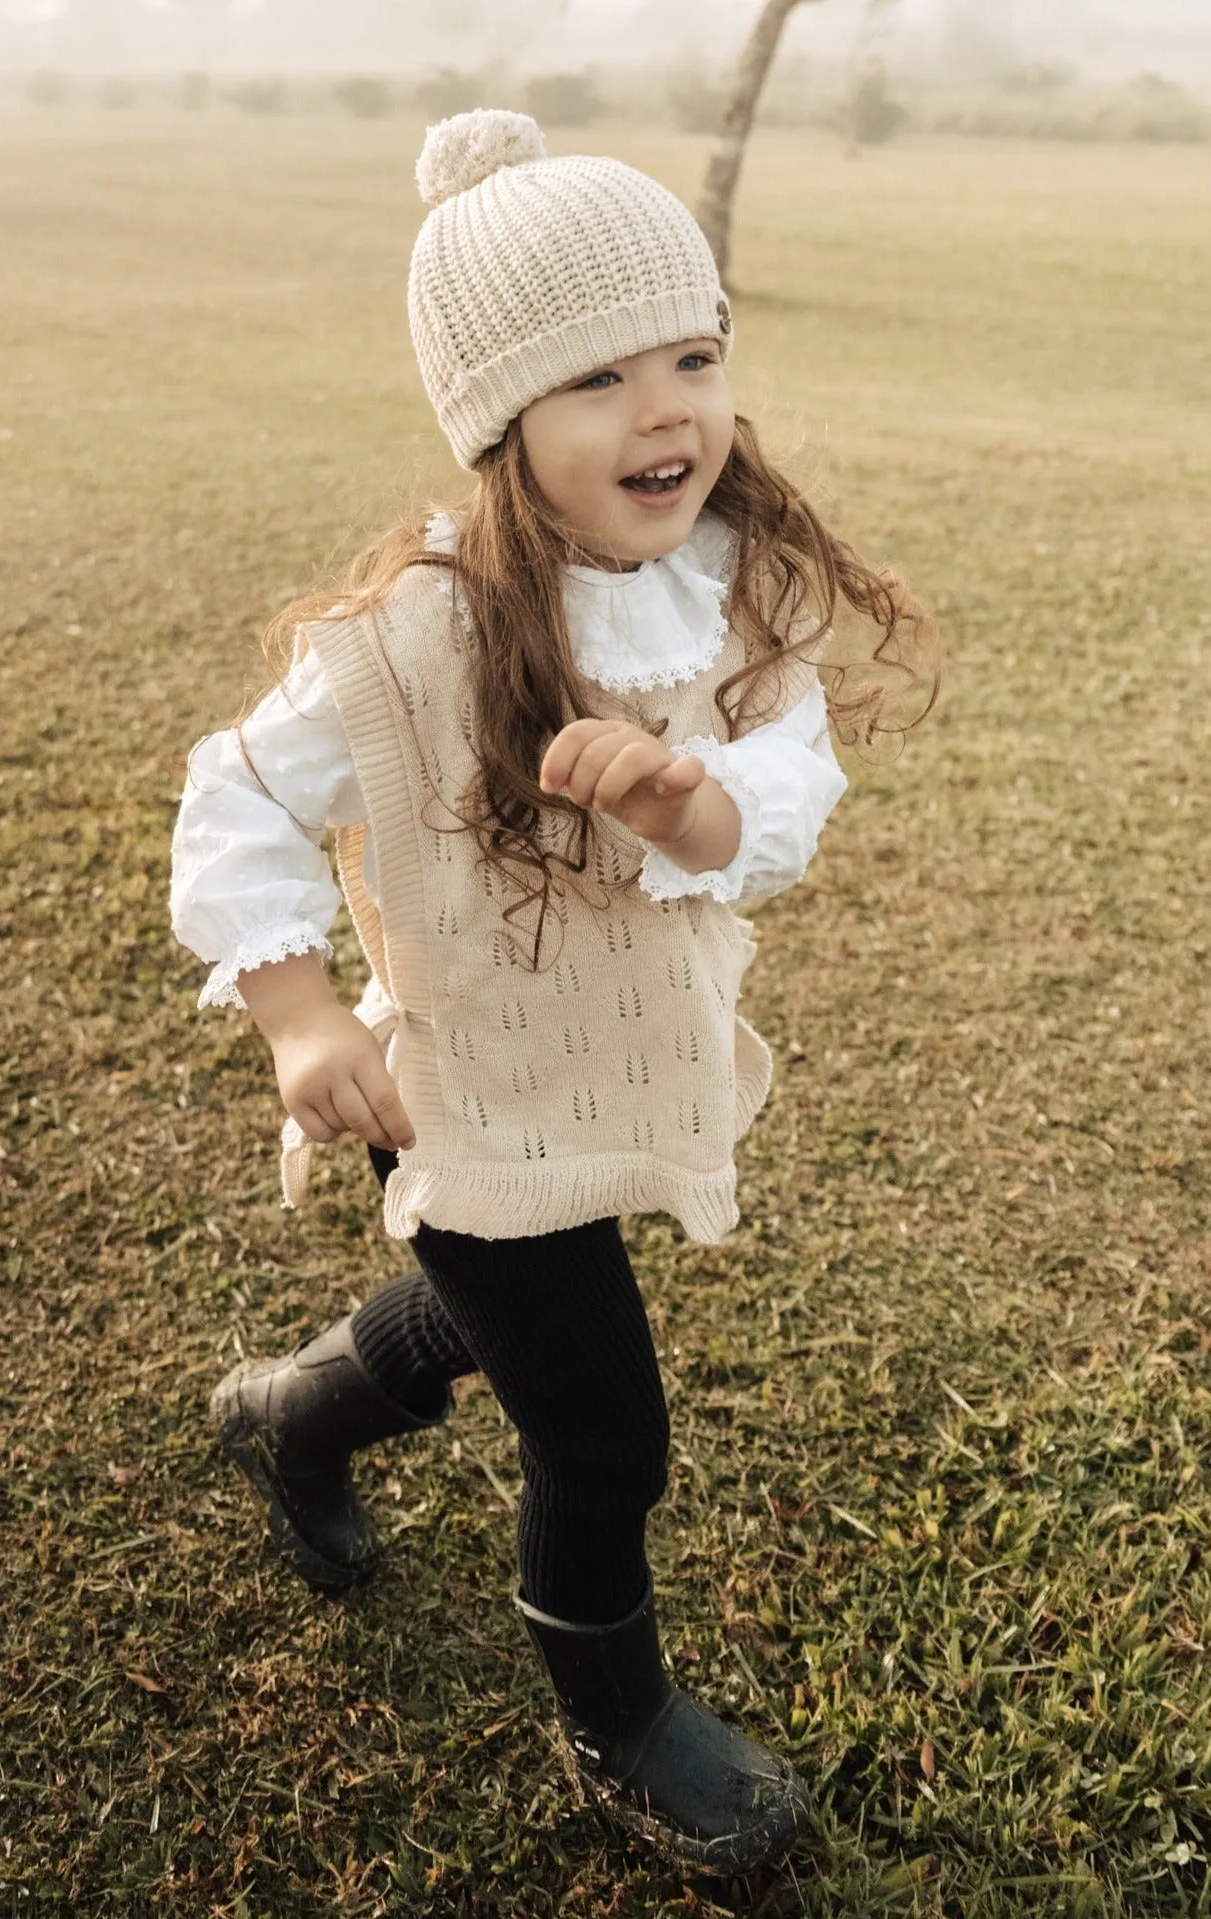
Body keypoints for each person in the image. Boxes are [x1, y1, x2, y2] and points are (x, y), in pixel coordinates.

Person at [168, 109, 937, 1877]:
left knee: (509, 1307)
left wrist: (688, 799)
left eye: (694, 352)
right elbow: (240, 793)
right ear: (499, 425)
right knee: (603, 1431)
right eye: (596, 374)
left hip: (608, 1068)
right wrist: (299, 1014)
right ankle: (620, 1721)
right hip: (463, 1081)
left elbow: (788, 795)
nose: (666, 407)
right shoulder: (418, 632)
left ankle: (285, 1414)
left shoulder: (723, 590)